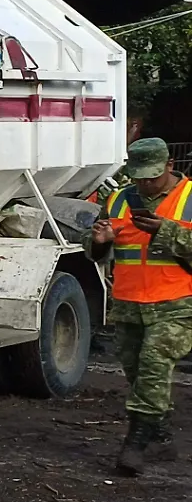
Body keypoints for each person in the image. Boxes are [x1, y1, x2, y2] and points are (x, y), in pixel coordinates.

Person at [91, 137, 192, 475]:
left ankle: (134, 444)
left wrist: (167, 232)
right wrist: (97, 242)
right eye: (139, 177)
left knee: (153, 367)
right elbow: (95, 248)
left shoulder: (190, 199)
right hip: (129, 305)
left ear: (169, 167)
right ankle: (161, 437)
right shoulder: (118, 199)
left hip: (177, 303)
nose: (146, 184)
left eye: (153, 176)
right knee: (137, 374)